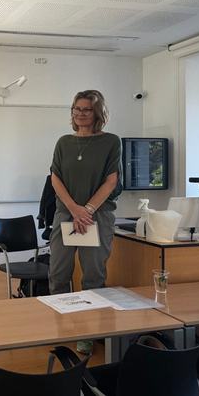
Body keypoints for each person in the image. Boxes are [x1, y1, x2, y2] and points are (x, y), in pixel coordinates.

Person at [48, 90, 122, 354]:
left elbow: (111, 180)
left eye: (86, 109)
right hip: (66, 214)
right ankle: (59, 327)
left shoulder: (110, 142)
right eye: (76, 109)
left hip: (96, 216)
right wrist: (74, 209)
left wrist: (87, 210)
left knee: (92, 276)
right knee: (58, 273)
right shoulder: (63, 142)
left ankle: (87, 333)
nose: (80, 113)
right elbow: (55, 178)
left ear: (97, 112)